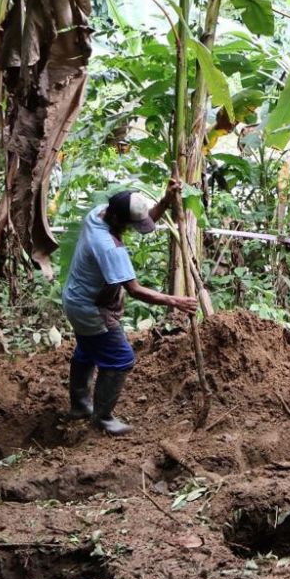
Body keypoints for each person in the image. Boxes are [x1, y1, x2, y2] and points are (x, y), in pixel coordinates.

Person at [62, 184, 198, 435]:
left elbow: (139, 222)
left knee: (88, 351)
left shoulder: (100, 213)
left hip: (75, 298)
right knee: (120, 358)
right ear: (116, 219)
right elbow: (135, 290)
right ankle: (102, 417)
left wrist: (165, 202)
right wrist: (176, 301)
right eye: (126, 225)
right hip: (90, 308)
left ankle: (80, 406)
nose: (128, 230)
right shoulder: (108, 247)